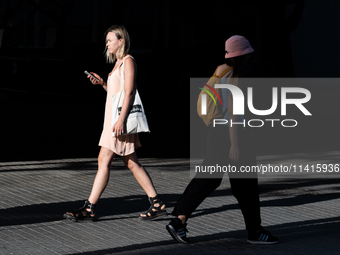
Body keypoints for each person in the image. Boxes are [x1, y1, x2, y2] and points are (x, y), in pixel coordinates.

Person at [166, 35, 278, 244]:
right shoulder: (236, 77)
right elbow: (234, 113)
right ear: (243, 55)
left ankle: (179, 220)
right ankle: (255, 232)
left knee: (210, 177)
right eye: (248, 53)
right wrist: (235, 144)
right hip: (231, 135)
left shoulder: (220, 71)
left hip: (216, 133)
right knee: (246, 185)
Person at [63, 25, 166, 221]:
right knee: (131, 162)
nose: (107, 44)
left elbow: (129, 92)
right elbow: (116, 95)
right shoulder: (118, 63)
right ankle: (157, 202)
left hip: (117, 123)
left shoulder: (128, 61)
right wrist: (102, 83)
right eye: (107, 41)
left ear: (121, 41)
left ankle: (89, 207)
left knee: (106, 160)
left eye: (110, 40)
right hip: (111, 122)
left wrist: (120, 120)